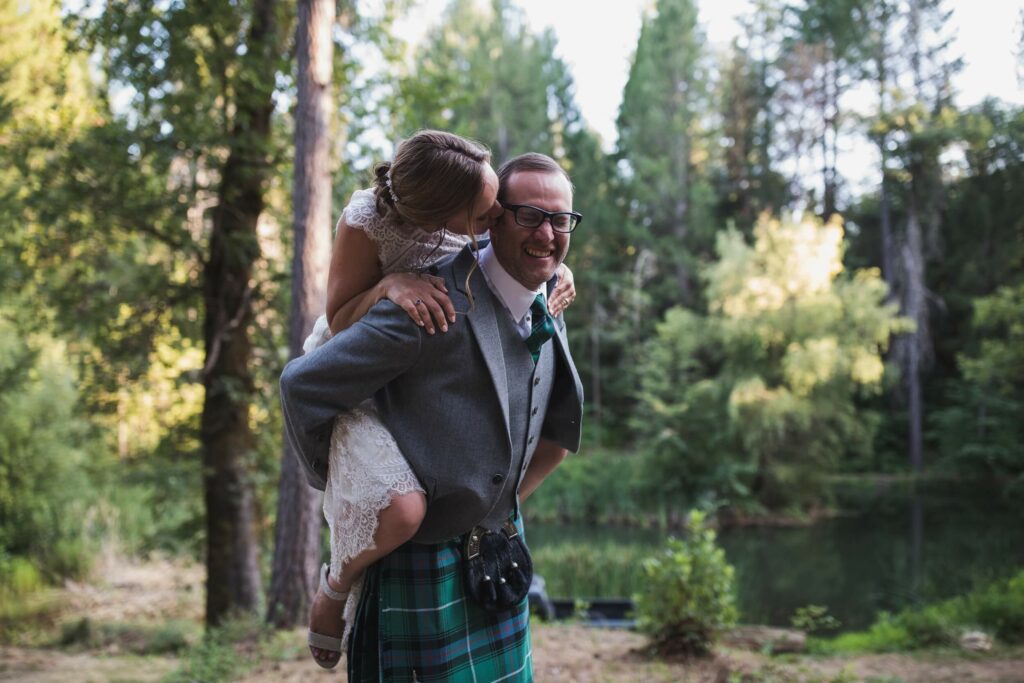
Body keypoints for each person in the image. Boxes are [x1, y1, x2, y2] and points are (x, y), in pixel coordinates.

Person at [280, 151, 584, 682]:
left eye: (561, 220)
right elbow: (302, 386)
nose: (548, 233)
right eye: (530, 215)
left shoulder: (548, 292)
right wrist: (344, 490)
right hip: (417, 564)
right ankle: (335, 587)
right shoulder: (428, 306)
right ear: (493, 218)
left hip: (498, 554)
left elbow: (554, 428)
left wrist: (495, 511)